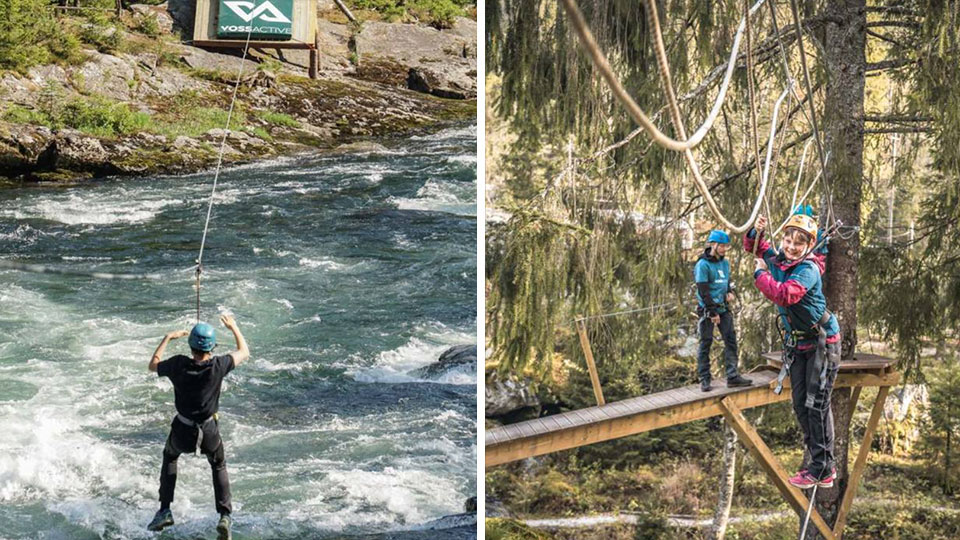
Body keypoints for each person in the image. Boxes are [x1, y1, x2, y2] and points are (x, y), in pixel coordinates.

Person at [745, 214, 841, 489]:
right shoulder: (781, 261)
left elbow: (785, 294)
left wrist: (760, 274)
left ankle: (823, 468)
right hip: (799, 344)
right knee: (801, 404)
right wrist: (756, 231)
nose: (791, 245)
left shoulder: (807, 269)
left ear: (809, 245)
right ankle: (818, 464)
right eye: (788, 239)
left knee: (817, 404)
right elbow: (754, 246)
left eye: (799, 242)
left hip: (823, 342)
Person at [147, 314, 249, 539]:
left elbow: (152, 365)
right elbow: (244, 352)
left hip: (183, 430)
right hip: (209, 430)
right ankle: (224, 515)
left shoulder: (177, 364)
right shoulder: (219, 365)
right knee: (218, 465)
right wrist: (233, 327)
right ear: (211, 347)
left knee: (170, 456)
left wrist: (167, 338)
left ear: (190, 346)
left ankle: (164, 510)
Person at [694, 229, 753, 392]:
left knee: (731, 340)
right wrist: (712, 313)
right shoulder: (702, 265)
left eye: (726, 246)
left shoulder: (724, 263)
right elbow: (703, 291)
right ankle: (705, 379)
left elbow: (726, 282)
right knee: (706, 343)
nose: (725, 249)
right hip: (708, 310)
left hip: (723, 308)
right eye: (722, 246)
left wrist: (729, 292)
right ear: (713, 245)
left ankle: (732, 376)